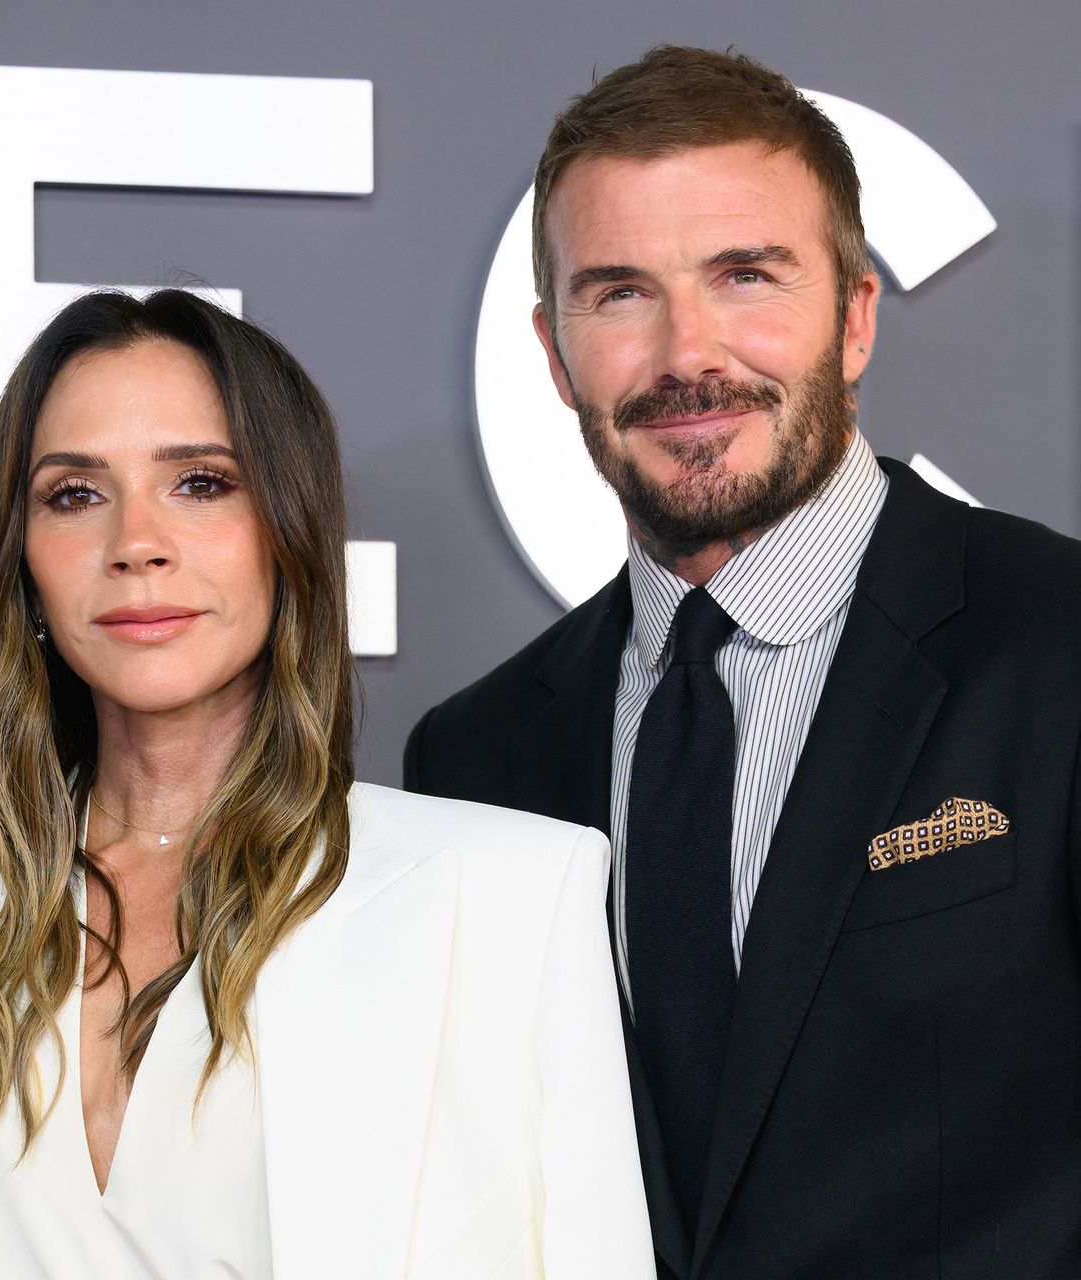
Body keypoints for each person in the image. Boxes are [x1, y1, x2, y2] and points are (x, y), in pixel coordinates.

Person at [0, 289, 655, 1279]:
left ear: (290, 530)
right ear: (22, 562)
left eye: (200, 483)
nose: (136, 542)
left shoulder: (507, 899)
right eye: (74, 494)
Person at [406, 44, 1081, 1280]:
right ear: (553, 353)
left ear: (855, 316)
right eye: (619, 293)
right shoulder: (476, 754)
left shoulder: (1058, 643)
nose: (687, 353)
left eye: (744, 275)